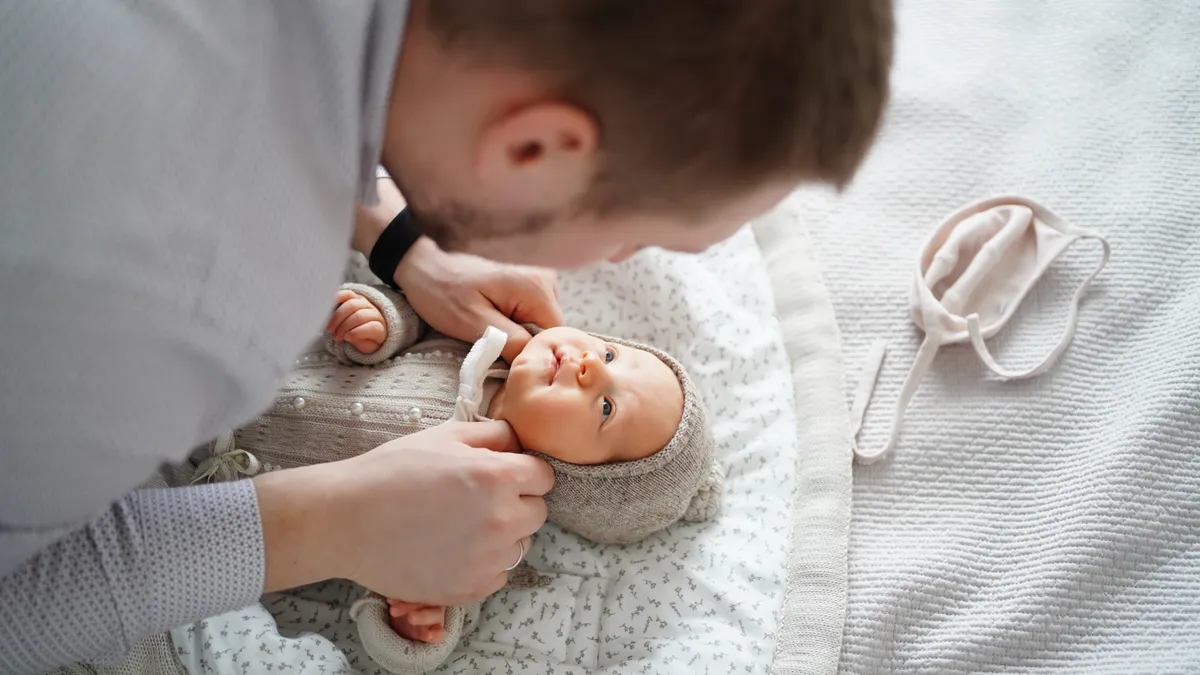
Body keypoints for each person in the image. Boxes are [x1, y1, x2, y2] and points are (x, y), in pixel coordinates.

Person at [0, 1, 893, 672]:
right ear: (534, 149)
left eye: (610, 399)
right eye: (635, 238)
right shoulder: (194, 297)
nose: (593, 345)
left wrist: (398, 241)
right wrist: (326, 523)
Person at [143, 280, 720, 675]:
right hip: (225, 370)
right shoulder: (477, 347)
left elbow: (437, 613)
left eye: (605, 409)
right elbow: (404, 314)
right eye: (614, 357)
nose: (591, 365)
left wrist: (417, 625)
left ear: (576, 479)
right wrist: (379, 324)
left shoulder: (490, 522)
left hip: (200, 507)